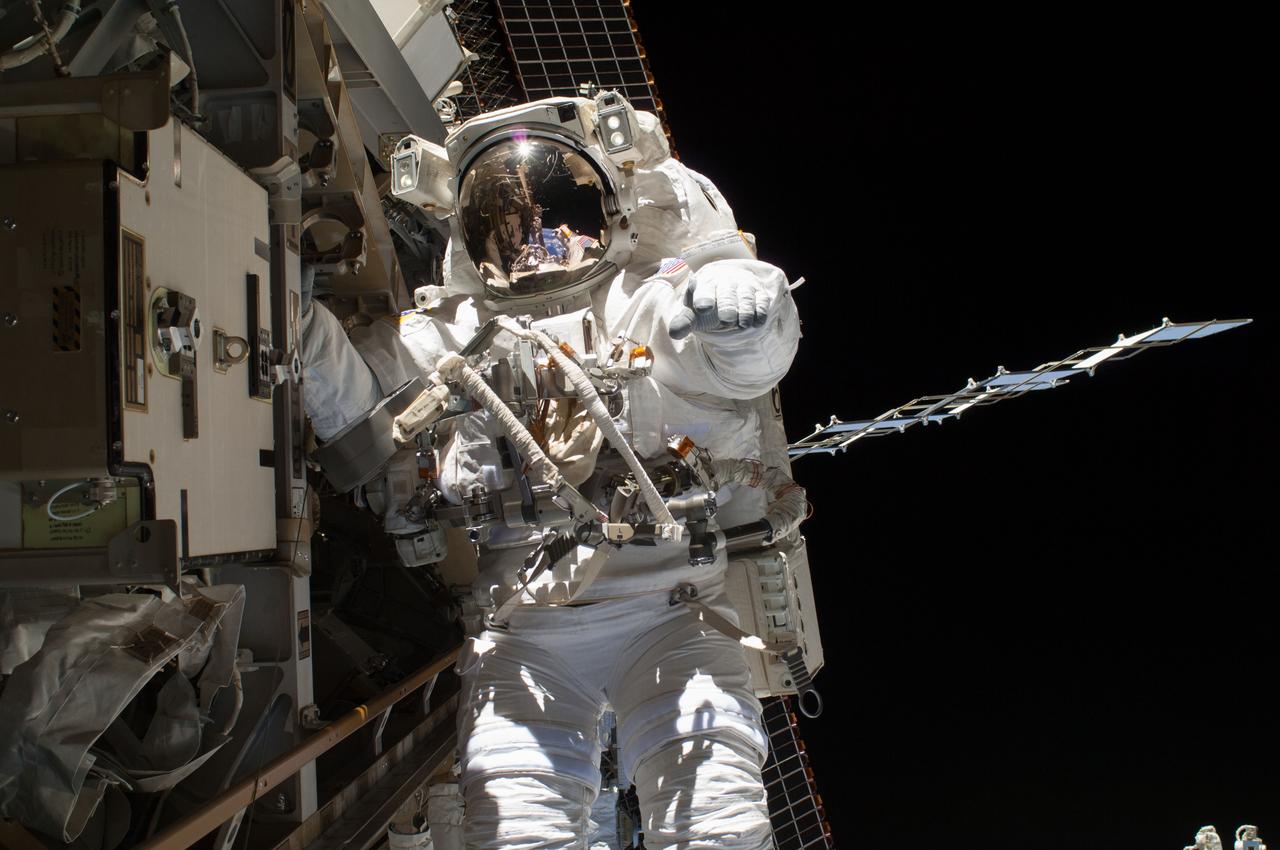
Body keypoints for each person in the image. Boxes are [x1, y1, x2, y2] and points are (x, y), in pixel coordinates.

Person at [301, 93, 800, 850]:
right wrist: (300, 331)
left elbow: (736, 356)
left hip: (668, 615)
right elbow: (366, 414)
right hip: (525, 633)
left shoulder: (644, 305)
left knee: (716, 828)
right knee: (519, 835)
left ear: (607, 214)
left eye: (555, 212)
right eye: (506, 226)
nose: (533, 241)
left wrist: (742, 307)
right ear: (473, 241)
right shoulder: (452, 336)